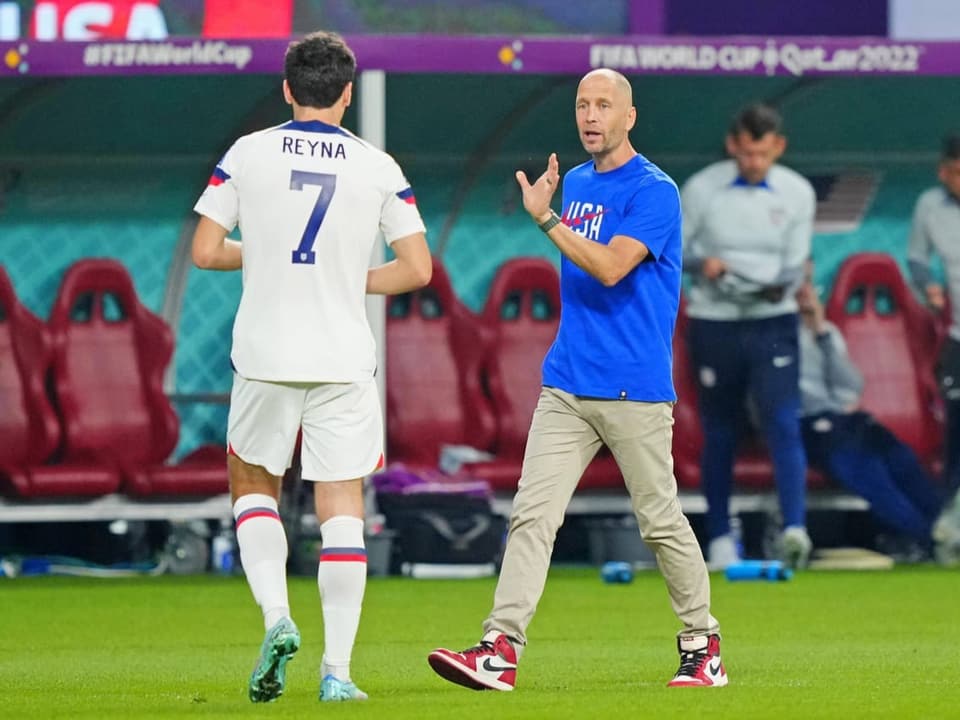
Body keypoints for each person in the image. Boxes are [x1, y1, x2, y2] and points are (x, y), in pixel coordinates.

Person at [428, 69, 726, 692]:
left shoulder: (655, 191)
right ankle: (499, 649)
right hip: (566, 384)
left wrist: (547, 222)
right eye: (582, 105)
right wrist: (556, 214)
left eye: (604, 105)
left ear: (630, 117)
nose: (590, 115)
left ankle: (702, 646)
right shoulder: (580, 183)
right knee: (531, 516)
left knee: (659, 521)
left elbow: (614, 267)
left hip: (634, 388)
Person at [191, 31, 432, 703]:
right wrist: (344, 273)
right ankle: (339, 673)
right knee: (341, 506)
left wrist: (266, 254)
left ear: (288, 88)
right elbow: (418, 269)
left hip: (266, 353)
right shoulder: (379, 166)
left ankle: (276, 617)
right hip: (342, 357)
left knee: (252, 483)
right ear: (348, 95)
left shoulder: (248, 153)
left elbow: (207, 250)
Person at [680, 103, 815, 570]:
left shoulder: (797, 193)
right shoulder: (701, 189)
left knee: (782, 422)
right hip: (714, 320)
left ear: (778, 147)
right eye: (746, 152)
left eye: (762, 153)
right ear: (733, 144)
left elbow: (797, 263)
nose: (753, 161)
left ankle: (795, 530)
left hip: (772, 321)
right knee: (720, 430)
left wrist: (783, 284)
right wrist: (704, 265)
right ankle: (719, 536)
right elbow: (669, 249)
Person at [796, 260, 946, 556]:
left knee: (900, 457)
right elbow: (793, 398)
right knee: (871, 471)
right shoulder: (775, 336)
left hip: (846, 421)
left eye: (809, 283)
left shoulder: (827, 333)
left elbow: (852, 386)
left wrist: (821, 334)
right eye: (800, 283)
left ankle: (943, 528)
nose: (805, 292)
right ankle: (928, 539)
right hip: (809, 425)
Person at [907, 133, 960, 563]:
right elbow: (918, 259)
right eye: (952, 172)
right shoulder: (930, 204)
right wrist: (930, 287)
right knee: (955, 436)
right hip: (957, 337)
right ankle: (951, 526)